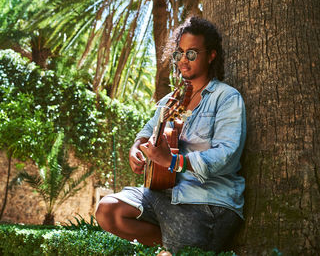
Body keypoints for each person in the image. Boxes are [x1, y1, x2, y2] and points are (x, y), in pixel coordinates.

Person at [95, 16, 246, 254]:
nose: (183, 61)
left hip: (207, 201)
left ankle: (175, 249)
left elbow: (227, 154)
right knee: (108, 210)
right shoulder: (169, 101)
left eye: (192, 54)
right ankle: (170, 246)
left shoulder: (226, 98)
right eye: (179, 54)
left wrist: (173, 161)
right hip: (164, 194)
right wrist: (136, 148)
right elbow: (146, 132)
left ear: (211, 55)